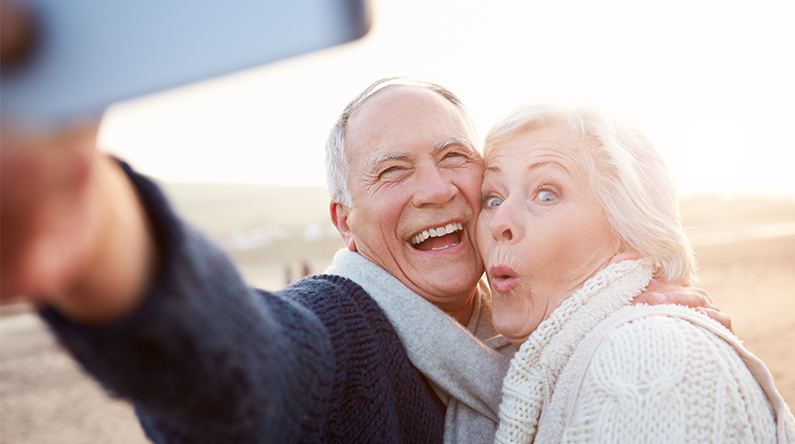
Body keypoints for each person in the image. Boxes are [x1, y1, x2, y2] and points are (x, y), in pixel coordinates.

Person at [0, 78, 730, 443]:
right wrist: (94, 231)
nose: (436, 188)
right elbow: (247, 365)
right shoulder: (341, 331)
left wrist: (609, 305)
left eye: (454, 158)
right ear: (343, 224)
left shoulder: (533, 340)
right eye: (392, 171)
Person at [474, 102, 795, 443]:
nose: (498, 222)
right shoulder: (558, 364)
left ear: (630, 230)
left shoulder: (642, 358)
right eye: (492, 198)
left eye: (546, 194)